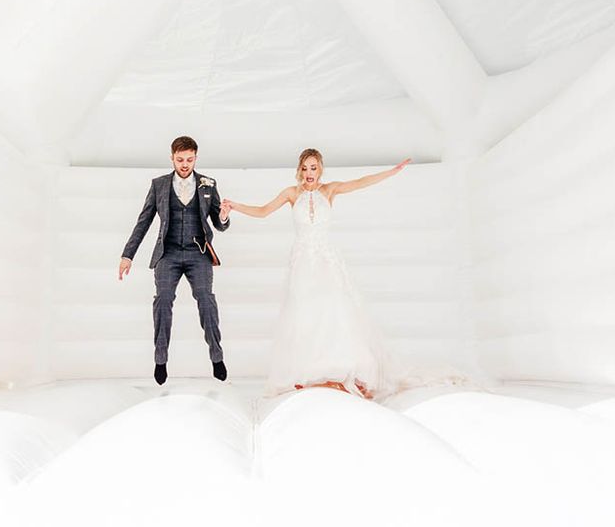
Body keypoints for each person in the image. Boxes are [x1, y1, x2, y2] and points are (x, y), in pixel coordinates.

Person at [221, 148, 468, 401]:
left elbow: (361, 182)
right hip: (303, 262)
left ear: (321, 169)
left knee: (336, 312)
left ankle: (344, 372)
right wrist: (234, 206)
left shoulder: (330, 190)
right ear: (299, 170)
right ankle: (311, 373)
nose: (309, 173)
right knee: (305, 315)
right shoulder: (291, 194)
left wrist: (392, 172)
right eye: (305, 168)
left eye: (313, 168)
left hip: (327, 261)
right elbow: (263, 211)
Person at [118, 136, 231, 386]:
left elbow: (219, 224)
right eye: (180, 159)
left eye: (189, 159)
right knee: (163, 300)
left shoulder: (208, 184)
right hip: (167, 254)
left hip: (198, 253)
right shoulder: (159, 185)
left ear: (195, 158)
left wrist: (223, 217)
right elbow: (143, 221)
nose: (185, 164)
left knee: (206, 299)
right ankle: (160, 359)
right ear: (172, 158)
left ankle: (217, 356)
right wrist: (128, 255)